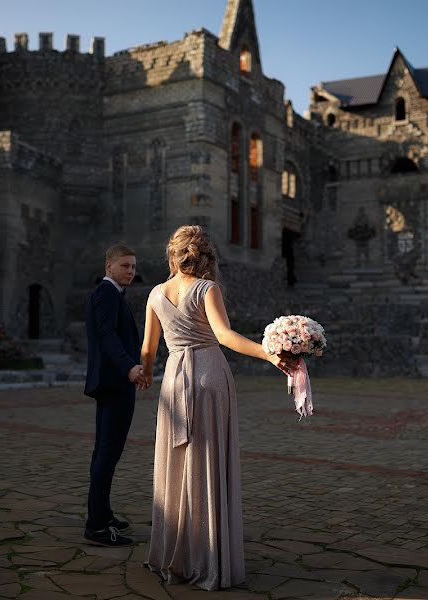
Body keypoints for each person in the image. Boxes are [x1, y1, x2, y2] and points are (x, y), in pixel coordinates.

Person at [141, 225, 295, 590]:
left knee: (176, 466)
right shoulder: (207, 288)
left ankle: (175, 555)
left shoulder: (154, 294)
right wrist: (269, 354)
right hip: (209, 376)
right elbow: (224, 336)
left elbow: (147, 350)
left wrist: (145, 375)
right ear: (207, 257)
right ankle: (207, 557)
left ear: (172, 255)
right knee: (208, 463)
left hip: (174, 378)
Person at [83, 244, 150, 547]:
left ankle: (103, 513)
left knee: (106, 453)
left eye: (134, 268)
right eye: (125, 266)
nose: (131, 272)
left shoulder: (113, 294)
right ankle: (97, 526)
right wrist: (129, 369)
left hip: (115, 382)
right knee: (107, 454)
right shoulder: (106, 293)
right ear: (109, 265)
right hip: (113, 383)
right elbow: (107, 335)